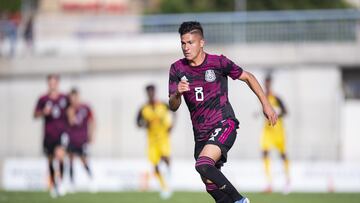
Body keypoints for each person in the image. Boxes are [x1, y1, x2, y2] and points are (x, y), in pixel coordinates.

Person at [168, 21, 277, 203]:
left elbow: (248, 77)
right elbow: (173, 105)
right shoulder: (177, 69)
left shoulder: (218, 62)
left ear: (201, 42)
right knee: (210, 181)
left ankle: (240, 200)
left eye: (190, 42)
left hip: (224, 123)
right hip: (200, 134)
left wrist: (265, 104)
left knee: (203, 164)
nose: (186, 48)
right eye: (183, 43)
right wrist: (177, 93)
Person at [34, 74, 69, 197]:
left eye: (54, 82)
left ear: (57, 83)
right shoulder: (43, 99)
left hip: (61, 133)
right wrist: (43, 112)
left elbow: (71, 110)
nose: (52, 85)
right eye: (50, 83)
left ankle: (61, 183)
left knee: (60, 156)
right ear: (48, 84)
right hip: (48, 134)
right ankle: (54, 184)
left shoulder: (64, 97)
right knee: (50, 160)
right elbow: (35, 114)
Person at [137, 84, 173, 199]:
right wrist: (144, 124)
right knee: (155, 165)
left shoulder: (162, 105)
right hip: (151, 140)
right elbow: (138, 123)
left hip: (163, 137)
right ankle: (164, 187)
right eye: (149, 92)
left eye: (152, 92)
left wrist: (172, 125)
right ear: (147, 93)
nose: (151, 94)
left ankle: (169, 175)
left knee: (166, 157)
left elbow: (174, 110)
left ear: (155, 92)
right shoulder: (143, 108)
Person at [260, 74, 290, 193]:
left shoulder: (276, 98)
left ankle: (287, 180)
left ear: (270, 84)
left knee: (282, 154)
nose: (266, 85)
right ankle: (269, 183)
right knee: (265, 152)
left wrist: (277, 112)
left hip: (278, 129)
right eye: (265, 83)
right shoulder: (263, 97)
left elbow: (286, 111)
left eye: (268, 83)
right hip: (267, 130)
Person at [66, 88, 96, 191]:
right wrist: (71, 112)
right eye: (71, 98)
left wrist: (91, 135)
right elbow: (71, 122)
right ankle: (71, 183)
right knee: (70, 159)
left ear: (78, 96)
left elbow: (92, 121)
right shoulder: (69, 109)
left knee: (84, 160)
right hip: (71, 139)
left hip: (82, 139)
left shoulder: (86, 107)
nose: (73, 100)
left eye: (75, 97)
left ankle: (91, 179)